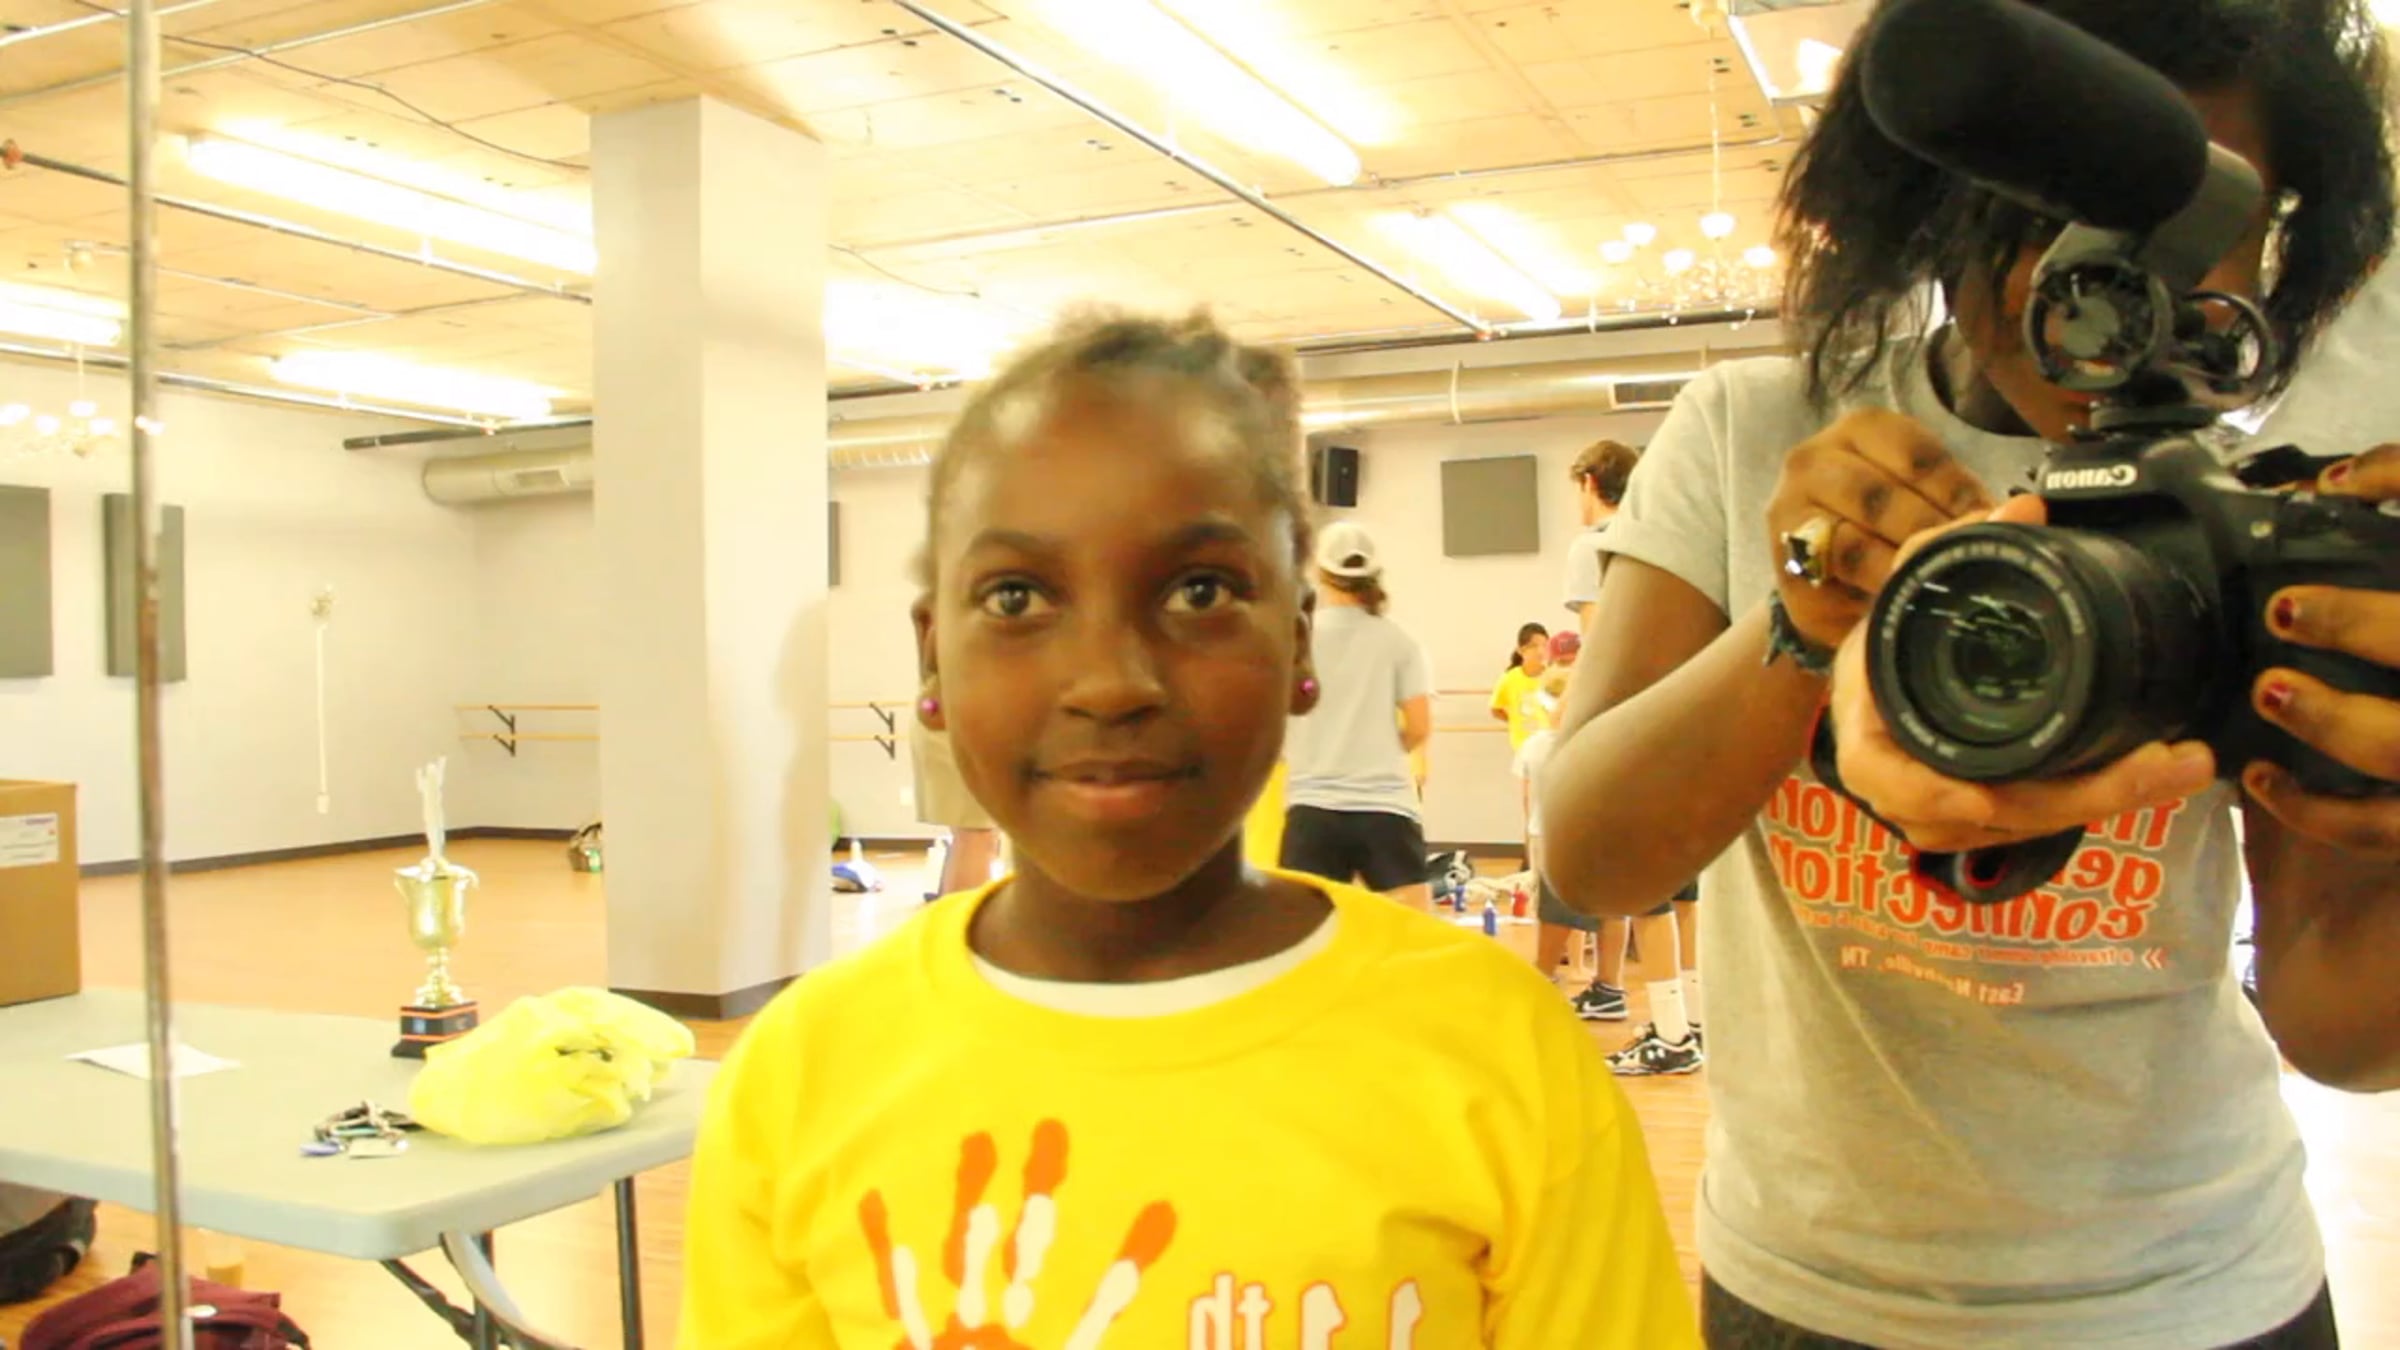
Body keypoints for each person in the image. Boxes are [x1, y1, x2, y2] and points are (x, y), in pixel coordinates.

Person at [1541, 2, 2397, 1345]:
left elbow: (2340, 1021)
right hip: (1810, 1277)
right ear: (1937, 195)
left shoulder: (2270, 508)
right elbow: (1591, 859)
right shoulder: (1759, 426)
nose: (2110, 270)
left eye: (2194, 211)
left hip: (2193, 1286)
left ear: (2274, 240)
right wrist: (1804, 620)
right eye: (2056, 198)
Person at [680, 311, 1698, 1349]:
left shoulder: (1500, 1052)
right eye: (1018, 596)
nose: (1110, 681)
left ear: (1298, 646)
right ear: (932, 659)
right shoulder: (804, 1075)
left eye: (1199, 590)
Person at [1279, 519, 1437, 910]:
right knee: (1411, 935)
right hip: (1386, 808)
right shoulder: (1400, 642)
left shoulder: (1293, 640)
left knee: (1306, 937)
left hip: (1311, 809)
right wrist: (1379, 747)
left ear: (1319, 571)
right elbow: (1419, 727)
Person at [911, 726, 1002, 899]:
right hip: (967, 729)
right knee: (976, 834)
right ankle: (964, 915)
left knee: (974, 836)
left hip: (959, 727)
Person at [1488, 622, 1552, 748]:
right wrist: (1515, 721)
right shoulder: (1510, 678)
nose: (1540, 651)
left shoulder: (1553, 676)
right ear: (1521, 650)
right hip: (1523, 744)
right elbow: (1495, 709)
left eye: (1544, 646)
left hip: (1548, 742)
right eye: (1534, 646)